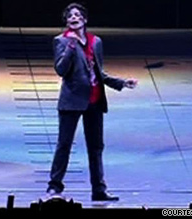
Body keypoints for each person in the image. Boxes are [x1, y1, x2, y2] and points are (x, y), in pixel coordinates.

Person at [47, 2, 138, 201]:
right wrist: (71, 47)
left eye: (78, 15)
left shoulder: (95, 41)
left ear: (85, 20)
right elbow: (61, 70)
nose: (74, 17)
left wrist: (122, 83)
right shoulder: (60, 41)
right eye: (70, 15)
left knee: (96, 147)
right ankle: (54, 186)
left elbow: (99, 72)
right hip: (72, 101)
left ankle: (99, 190)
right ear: (66, 21)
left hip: (95, 100)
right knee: (64, 144)